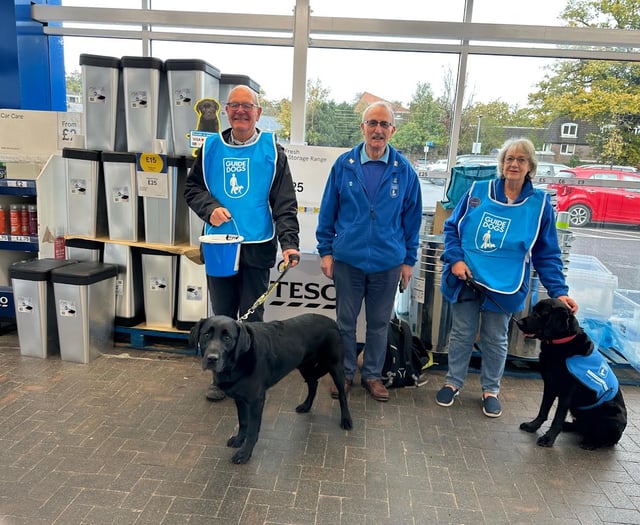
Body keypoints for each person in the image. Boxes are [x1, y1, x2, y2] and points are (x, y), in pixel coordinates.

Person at [435, 137, 578, 417]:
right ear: (502, 164)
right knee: (462, 333)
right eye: (509, 159)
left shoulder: (539, 205)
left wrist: (559, 291)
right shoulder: (478, 191)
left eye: (521, 160)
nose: (514, 164)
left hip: (505, 284)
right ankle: (453, 382)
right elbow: (452, 228)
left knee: (495, 338)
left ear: (530, 167)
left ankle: (491, 389)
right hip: (467, 277)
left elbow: (546, 253)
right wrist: (455, 259)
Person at [185, 85, 301, 401]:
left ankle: (250, 375)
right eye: (234, 105)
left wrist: (289, 243)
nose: (240, 111)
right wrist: (210, 208)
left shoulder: (272, 151)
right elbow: (192, 189)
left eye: (247, 106)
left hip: (258, 245)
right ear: (226, 110)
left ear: (258, 113)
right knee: (221, 316)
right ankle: (221, 377)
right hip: (220, 245)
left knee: (252, 320)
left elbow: (284, 203)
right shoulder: (209, 150)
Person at [316, 101, 422, 402]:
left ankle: (372, 375)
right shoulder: (344, 165)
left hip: (388, 262)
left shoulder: (404, 171)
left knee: (378, 324)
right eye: (372, 123)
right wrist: (326, 250)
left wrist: (408, 261)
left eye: (383, 124)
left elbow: (412, 220)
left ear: (392, 130)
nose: (377, 130)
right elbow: (328, 211)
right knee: (345, 322)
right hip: (349, 260)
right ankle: (346, 373)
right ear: (362, 127)